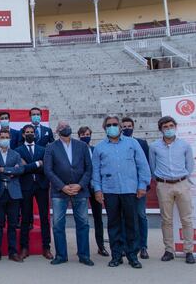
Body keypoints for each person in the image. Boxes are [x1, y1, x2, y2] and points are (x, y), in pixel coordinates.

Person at [92, 115, 151, 269]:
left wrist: (142, 185)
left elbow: (143, 166)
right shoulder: (99, 147)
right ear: (105, 128)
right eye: (109, 125)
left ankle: (132, 256)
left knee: (132, 224)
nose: (112, 127)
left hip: (129, 189)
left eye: (115, 124)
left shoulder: (133, 143)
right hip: (110, 191)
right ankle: (116, 256)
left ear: (120, 126)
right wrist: (97, 189)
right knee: (113, 224)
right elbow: (96, 172)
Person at [45, 121, 93, 266]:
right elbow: (48, 170)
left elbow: (89, 169)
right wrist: (62, 186)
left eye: (67, 126)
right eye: (62, 127)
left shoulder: (82, 146)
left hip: (80, 190)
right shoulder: (51, 147)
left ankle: (84, 255)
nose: (66, 128)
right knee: (58, 224)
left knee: (83, 224)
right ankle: (61, 255)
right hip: (60, 192)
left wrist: (80, 185)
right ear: (57, 131)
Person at [149, 116, 195, 264]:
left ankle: (189, 251)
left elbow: (189, 166)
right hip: (163, 185)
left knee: (186, 219)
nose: (168, 129)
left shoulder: (185, 145)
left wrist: (181, 179)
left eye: (170, 126)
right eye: (165, 127)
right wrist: (162, 181)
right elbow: (152, 167)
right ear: (161, 129)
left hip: (182, 183)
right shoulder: (154, 146)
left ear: (175, 126)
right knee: (166, 220)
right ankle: (169, 250)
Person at [15, 124, 53, 260]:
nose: (30, 134)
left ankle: (46, 247)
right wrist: (37, 164)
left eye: (32, 132)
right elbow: (21, 169)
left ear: (35, 134)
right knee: (25, 218)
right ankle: (24, 248)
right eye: (27, 132)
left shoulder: (43, 149)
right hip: (25, 186)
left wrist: (29, 166)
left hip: (41, 186)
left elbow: (46, 168)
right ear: (24, 135)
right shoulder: (18, 150)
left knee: (44, 218)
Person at [0, 129, 24, 262]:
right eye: (2, 137)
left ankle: (13, 252)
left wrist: (4, 169)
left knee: (12, 224)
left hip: (14, 193)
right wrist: (12, 170)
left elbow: (21, 169)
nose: (5, 139)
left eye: (7, 137)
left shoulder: (16, 154)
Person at [121, 117, 150, 259]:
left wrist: (143, 185)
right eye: (124, 126)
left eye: (129, 126)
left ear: (133, 127)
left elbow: (145, 165)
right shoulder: (117, 143)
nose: (127, 128)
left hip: (139, 187)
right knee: (125, 217)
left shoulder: (142, 143)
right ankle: (127, 246)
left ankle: (143, 246)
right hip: (124, 187)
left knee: (140, 215)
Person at [77, 126, 109, 257]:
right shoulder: (76, 150)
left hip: (95, 187)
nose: (86, 136)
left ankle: (101, 246)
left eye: (87, 134)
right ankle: (82, 248)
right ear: (79, 136)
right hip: (82, 188)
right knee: (81, 219)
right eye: (83, 134)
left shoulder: (95, 149)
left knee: (98, 218)